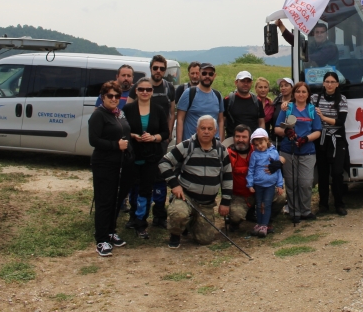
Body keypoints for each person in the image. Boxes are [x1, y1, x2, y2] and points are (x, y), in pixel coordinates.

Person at [159, 115, 233, 249]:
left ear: (215, 131)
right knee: (179, 213)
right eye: (203, 128)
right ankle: (175, 234)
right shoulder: (186, 146)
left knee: (205, 240)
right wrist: (174, 185)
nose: (206, 131)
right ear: (196, 129)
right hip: (186, 197)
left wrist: (225, 202)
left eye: (210, 129)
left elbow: (227, 176)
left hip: (207, 203)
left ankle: (191, 223)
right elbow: (164, 163)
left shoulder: (222, 150)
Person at [126, 55, 175, 229]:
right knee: (135, 181)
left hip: (158, 144)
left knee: (158, 179)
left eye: (162, 69)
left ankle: (159, 215)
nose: (159, 71)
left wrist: (164, 137)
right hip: (136, 147)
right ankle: (135, 215)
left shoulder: (169, 88)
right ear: (151, 68)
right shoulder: (135, 91)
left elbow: (172, 113)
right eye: (156, 68)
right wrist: (132, 136)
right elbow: (126, 120)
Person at [122, 77, 170, 239]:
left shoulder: (158, 110)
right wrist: (133, 136)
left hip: (151, 156)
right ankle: (132, 217)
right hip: (132, 155)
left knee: (145, 190)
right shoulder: (128, 109)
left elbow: (165, 133)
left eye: (148, 90)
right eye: (141, 89)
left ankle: (141, 222)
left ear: (152, 92)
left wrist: (154, 137)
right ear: (136, 91)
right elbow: (120, 130)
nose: (144, 92)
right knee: (132, 188)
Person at [88, 81, 131, 257]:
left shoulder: (119, 113)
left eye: (116, 96)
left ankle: (111, 231)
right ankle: (101, 239)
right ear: (103, 97)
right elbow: (94, 141)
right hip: (104, 164)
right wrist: (116, 145)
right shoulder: (99, 115)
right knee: (104, 201)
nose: (113, 99)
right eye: (109, 96)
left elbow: (125, 131)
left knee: (115, 200)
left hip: (119, 163)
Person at [274, 82, 322, 224]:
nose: (301, 94)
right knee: (291, 182)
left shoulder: (312, 110)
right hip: (288, 150)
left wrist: (306, 139)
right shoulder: (287, 108)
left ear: (308, 94)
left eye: (304, 92)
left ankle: (306, 210)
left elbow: (318, 131)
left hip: (307, 151)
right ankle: (294, 211)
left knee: (306, 183)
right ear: (294, 93)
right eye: (298, 91)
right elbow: (277, 128)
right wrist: (286, 132)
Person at [225, 125, 287, 232]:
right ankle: (236, 221)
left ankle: (266, 221)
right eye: (237, 136)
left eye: (244, 137)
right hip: (241, 195)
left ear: (249, 139)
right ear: (233, 137)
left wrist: (279, 163)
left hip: (264, 187)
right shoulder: (228, 153)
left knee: (281, 196)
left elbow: (279, 156)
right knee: (236, 216)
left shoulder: (259, 146)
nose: (240, 140)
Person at [312, 71, 350, 216]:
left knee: (337, 172)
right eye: (327, 81)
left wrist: (322, 117)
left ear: (337, 84)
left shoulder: (342, 99)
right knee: (322, 173)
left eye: (332, 82)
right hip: (321, 139)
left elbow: (340, 122)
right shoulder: (315, 98)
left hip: (337, 139)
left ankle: (339, 204)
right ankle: (323, 205)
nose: (329, 84)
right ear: (323, 83)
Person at [246, 129, 284, 238]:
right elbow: (251, 169)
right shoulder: (254, 155)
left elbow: (278, 170)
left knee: (267, 204)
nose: (260, 146)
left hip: (270, 184)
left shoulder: (273, 153)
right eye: (256, 145)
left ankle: (264, 225)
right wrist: (250, 184)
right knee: (259, 205)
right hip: (258, 184)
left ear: (266, 140)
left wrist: (280, 184)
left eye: (261, 143)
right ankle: (259, 223)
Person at [176, 63, 225, 143]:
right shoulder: (189, 93)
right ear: (199, 74)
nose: (207, 76)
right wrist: (179, 144)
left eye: (210, 74)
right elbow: (180, 119)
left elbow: (220, 121)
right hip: (191, 145)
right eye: (204, 73)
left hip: (213, 147)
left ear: (214, 76)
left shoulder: (218, 95)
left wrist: (221, 144)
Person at [223, 71, 265, 138]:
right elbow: (222, 122)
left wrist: (261, 138)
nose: (246, 84)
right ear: (236, 82)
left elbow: (261, 122)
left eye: (248, 81)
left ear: (251, 83)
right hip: (233, 140)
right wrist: (222, 142)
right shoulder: (228, 100)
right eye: (243, 81)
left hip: (253, 141)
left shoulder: (257, 101)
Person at [270, 78, 294, 146]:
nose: (283, 88)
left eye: (286, 85)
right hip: (275, 139)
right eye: (281, 86)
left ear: (292, 88)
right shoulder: (276, 102)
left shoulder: (295, 103)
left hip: (290, 140)